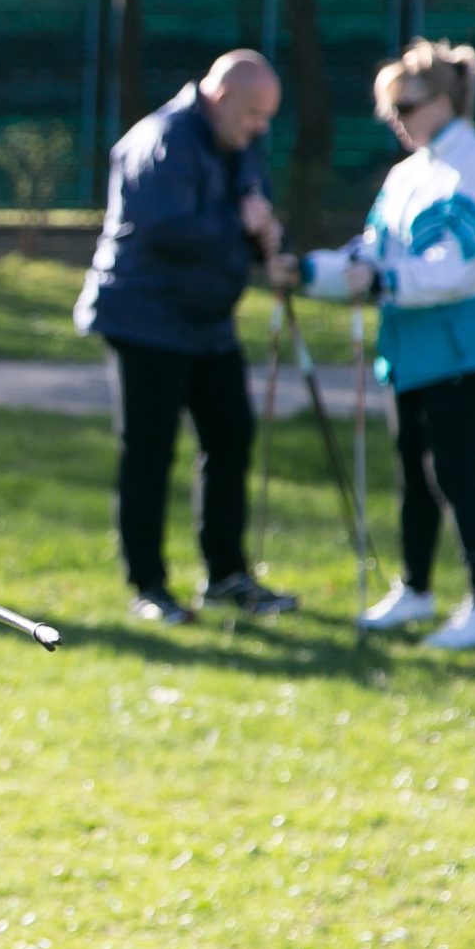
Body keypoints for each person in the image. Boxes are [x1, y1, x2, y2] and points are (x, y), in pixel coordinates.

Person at [273, 40, 475, 650]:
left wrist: (384, 282)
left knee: (455, 473)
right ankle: (416, 590)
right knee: (413, 473)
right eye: (391, 112)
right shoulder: (407, 173)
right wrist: (306, 272)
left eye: (405, 107)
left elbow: (456, 266)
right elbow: (369, 253)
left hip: (463, 346)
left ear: (444, 99)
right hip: (408, 347)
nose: (397, 121)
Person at [73, 51, 298, 624]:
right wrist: (240, 224)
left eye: (266, 117)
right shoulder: (161, 140)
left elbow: (248, 207)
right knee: (148, 451)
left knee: (231, 438)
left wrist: (264, 233)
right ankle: (148, 586)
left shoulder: (236, 141)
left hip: (207, 323)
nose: (260, 128)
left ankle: (227, 575)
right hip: (145, 318)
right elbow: (165, 229)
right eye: (252, 114)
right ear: (220, 97)